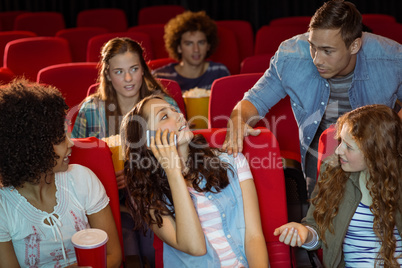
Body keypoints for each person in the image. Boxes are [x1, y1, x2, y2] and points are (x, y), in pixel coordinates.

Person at [223, 0, 402, 197]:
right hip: (320, 160)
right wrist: (238, 119)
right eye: (313, 47)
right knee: (321, 222)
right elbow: (254, 101)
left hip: (378, 158)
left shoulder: (391, 59)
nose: (317, 59)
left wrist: (386, 134)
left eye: (327, 51)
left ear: (354, 46)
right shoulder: (291, 56)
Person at [120, 94, 269, 267]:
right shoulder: (149, 196)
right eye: (164, 116)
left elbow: (254, 236)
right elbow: (195, 247)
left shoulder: (232, 161)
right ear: (148, 142)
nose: (178, 115)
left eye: (174, 110)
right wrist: (173, 171)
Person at [72, 37, 173, 267]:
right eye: (119, 71)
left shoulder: (163, 104)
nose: (128, 79)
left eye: (134, 69)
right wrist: (104, 175)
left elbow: (181, 154)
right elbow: (73, 160)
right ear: (107, 74)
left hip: (155, 197)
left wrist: (136, 172)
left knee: (151, 248)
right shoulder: (90, 109)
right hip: (107, 203)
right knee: (127, 248)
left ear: (143, 70)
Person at [0, 79, 122, 267]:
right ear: (31, 148)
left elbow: (113, 255)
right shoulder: (4, 206)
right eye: (60, 139)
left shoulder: (82, 179)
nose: (71, 143)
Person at [274, 104, 402, 267]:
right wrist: (306, 235)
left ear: (375, 153)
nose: (338, 151)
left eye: (349, 147)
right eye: (340, 141)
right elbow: (317, 230)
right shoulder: (333, 171)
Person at [153, 10, 230, 92]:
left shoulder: (220, 72)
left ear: (208, 46)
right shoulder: (160, 77)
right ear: (179, 47)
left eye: (201, 43)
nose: (196, 49)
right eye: (189, 44)